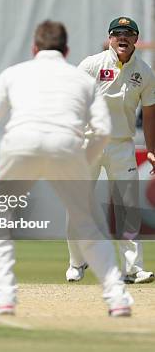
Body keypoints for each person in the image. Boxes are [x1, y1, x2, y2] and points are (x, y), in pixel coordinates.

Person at [0, 20, 133, 317]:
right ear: (66, 50)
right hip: (66, 146)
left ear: (34, 48)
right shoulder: (83, 80)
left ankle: (4, 297)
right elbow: (102, 130)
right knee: (87, 223)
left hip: (20, 144)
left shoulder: (14, 73)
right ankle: (118, 298)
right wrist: (82, 163)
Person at [66, 17, 155, 284]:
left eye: (128, 34)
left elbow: (149, 114)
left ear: (136, 39)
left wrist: (151, 149)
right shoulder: (92, 64)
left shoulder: (145, 72)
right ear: (110, 38)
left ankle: (133, 268)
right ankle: (76, 262)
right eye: (117, 34)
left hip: (122, 145)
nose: (122, 38)